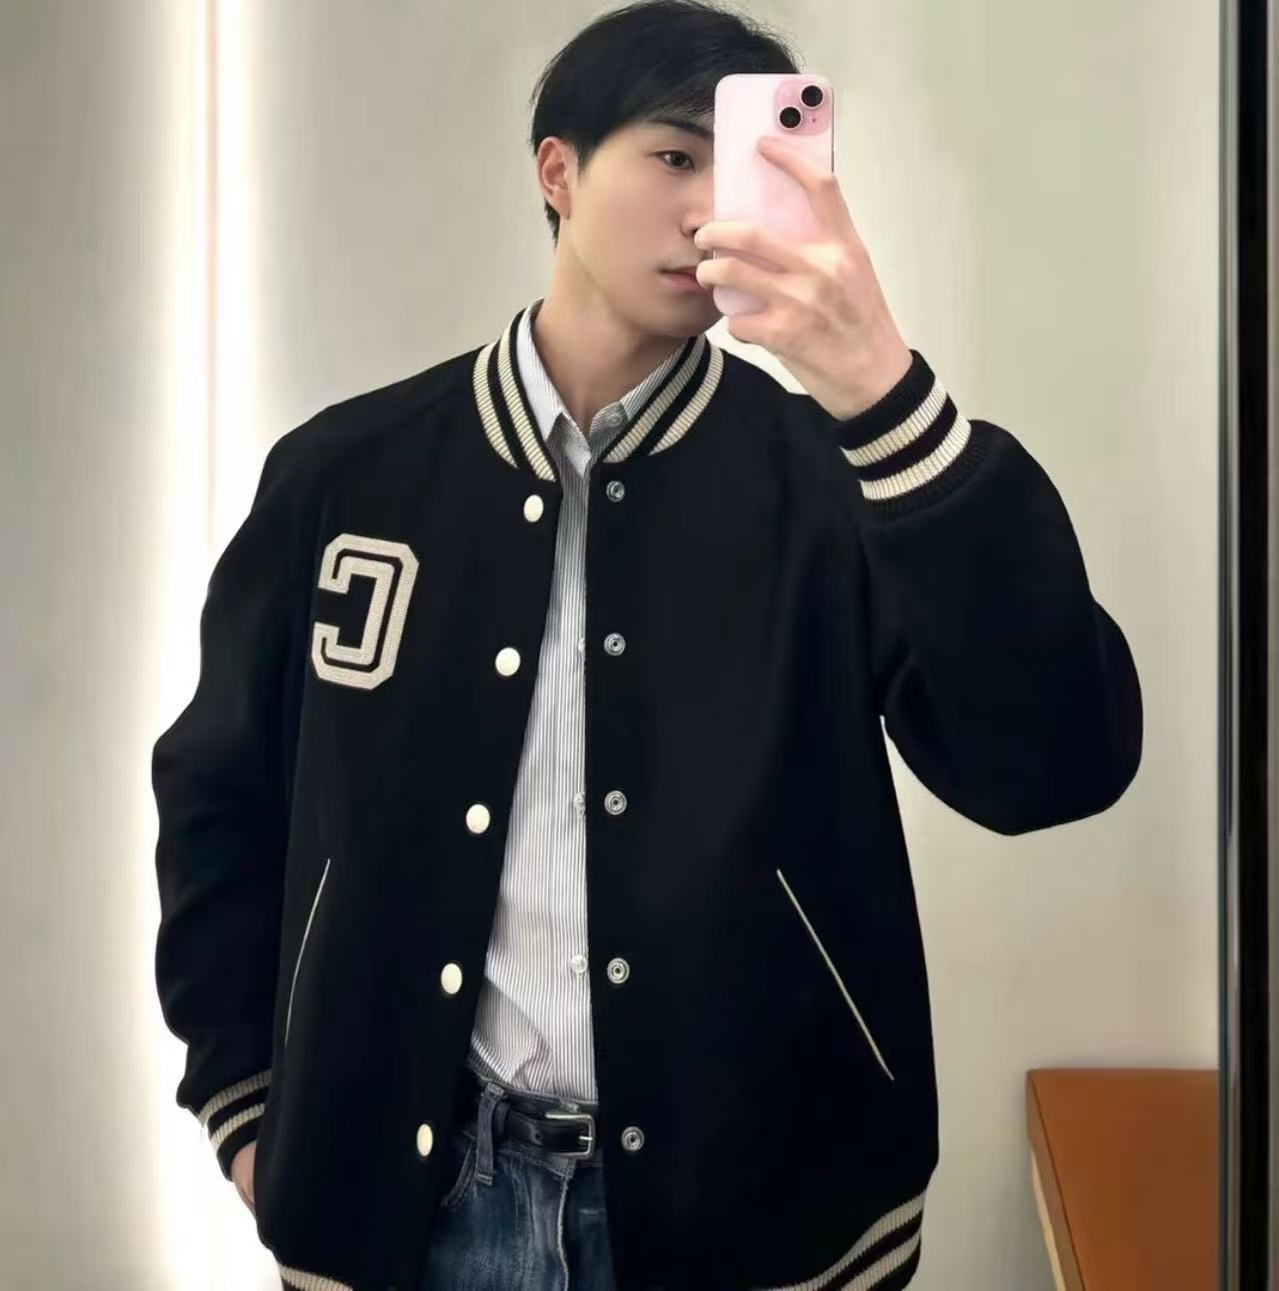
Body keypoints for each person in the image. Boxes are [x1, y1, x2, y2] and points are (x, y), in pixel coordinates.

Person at [151, 2, 1144, 1288]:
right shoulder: (347, 476)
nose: (710, 209)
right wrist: (241, 1097)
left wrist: (881, 391)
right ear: (557, 172)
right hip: (409, 1201)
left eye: (752, 171)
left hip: (761, 1201)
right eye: (675, 156)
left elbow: (1052, 767)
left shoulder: (834, 482)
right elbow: (220, 797)